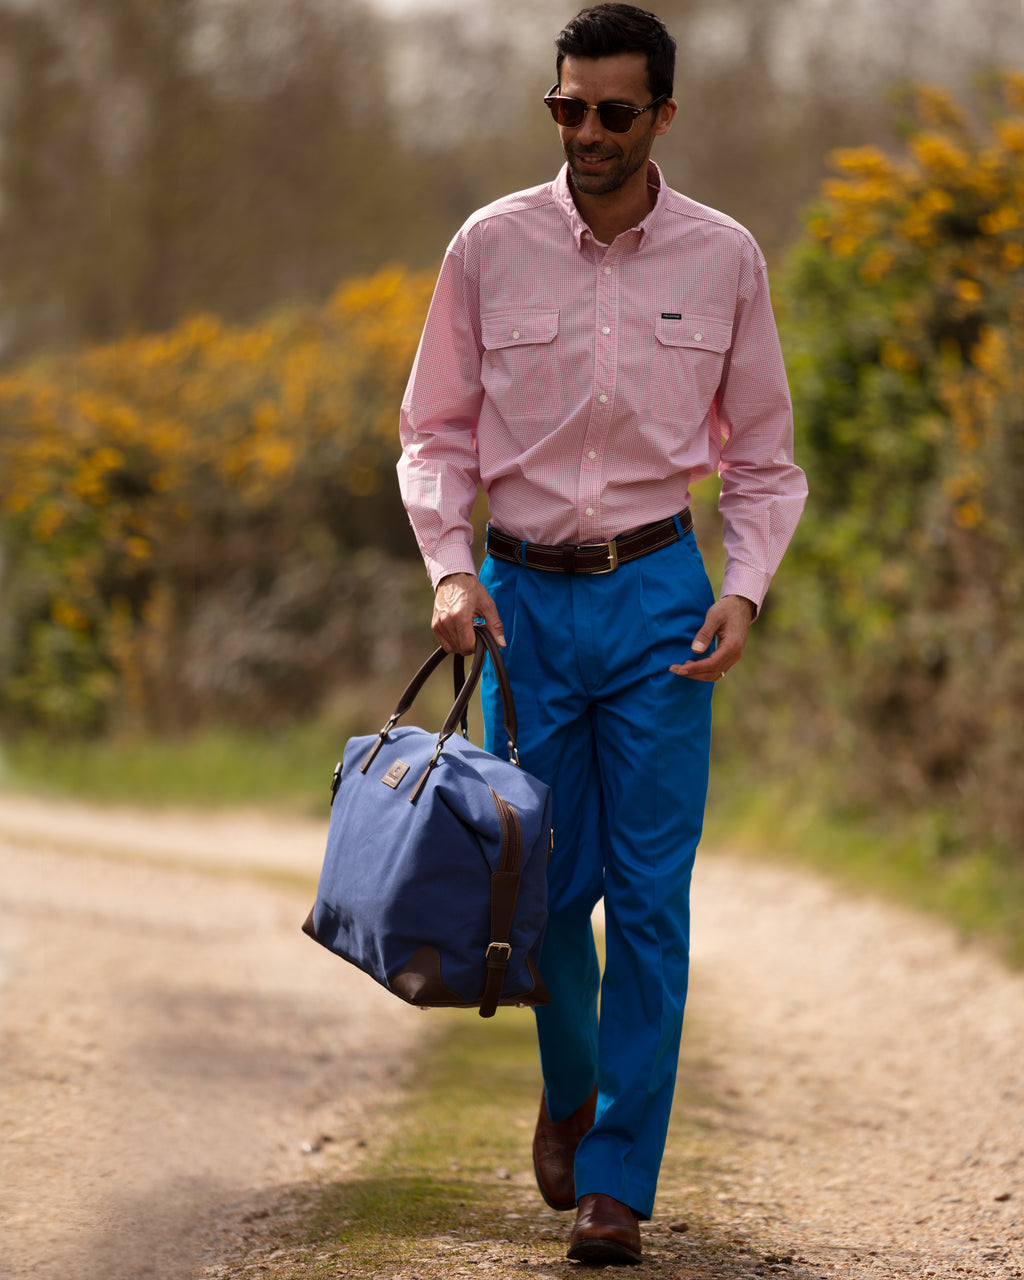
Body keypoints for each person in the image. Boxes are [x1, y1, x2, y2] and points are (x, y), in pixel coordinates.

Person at [398, 3, 806, 1266]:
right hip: (519, 602)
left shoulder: (724, 257)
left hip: (659, 599)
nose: (585, 130)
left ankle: (617, 1178)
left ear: (660, 116)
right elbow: (434, 431)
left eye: (612, 110)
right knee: (544, 885)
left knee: (647, 896)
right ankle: (572, 1082)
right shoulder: (488, 245)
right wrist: (449, 568)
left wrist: (744, 588)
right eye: (566, 106)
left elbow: (763, 457)